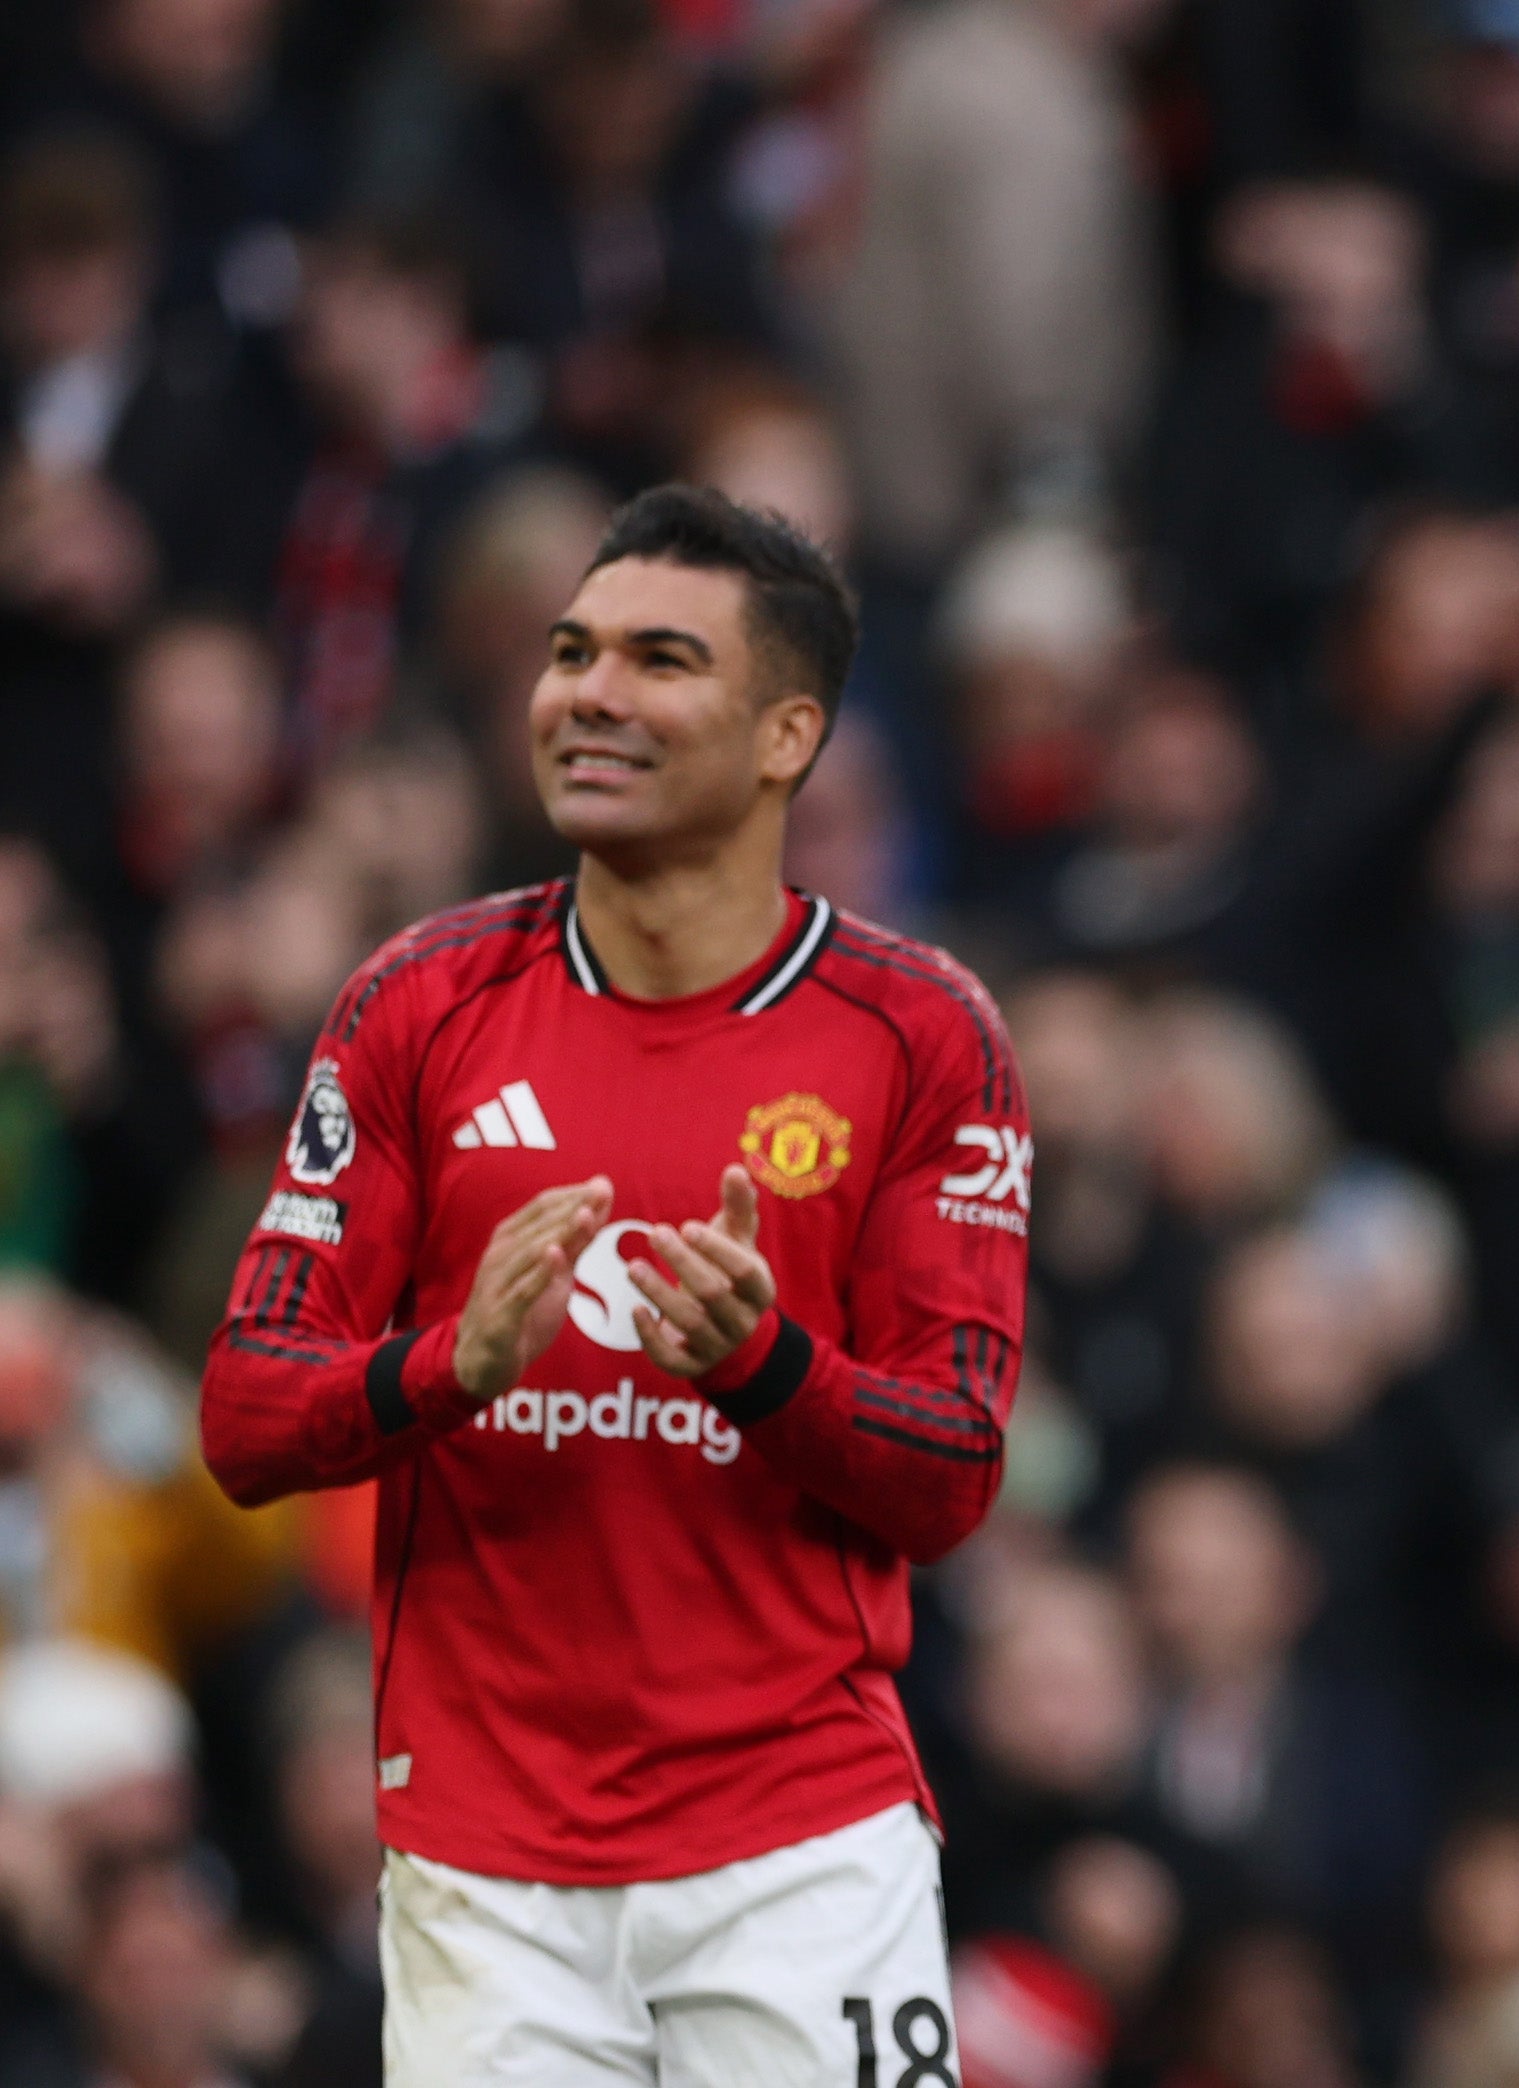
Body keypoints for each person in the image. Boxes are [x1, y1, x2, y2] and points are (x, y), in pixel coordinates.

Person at [195, 484, 1031, 2080]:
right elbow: (243, 1414)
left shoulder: (921, 1035)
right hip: (486, 1858)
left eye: (660, 660)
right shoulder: (415, 1004)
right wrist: (444, 1367)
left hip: (799, 1846)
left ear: (787, 736)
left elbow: (950, 1472)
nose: (588, 692)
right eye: (572, 651)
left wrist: (764, 1368)